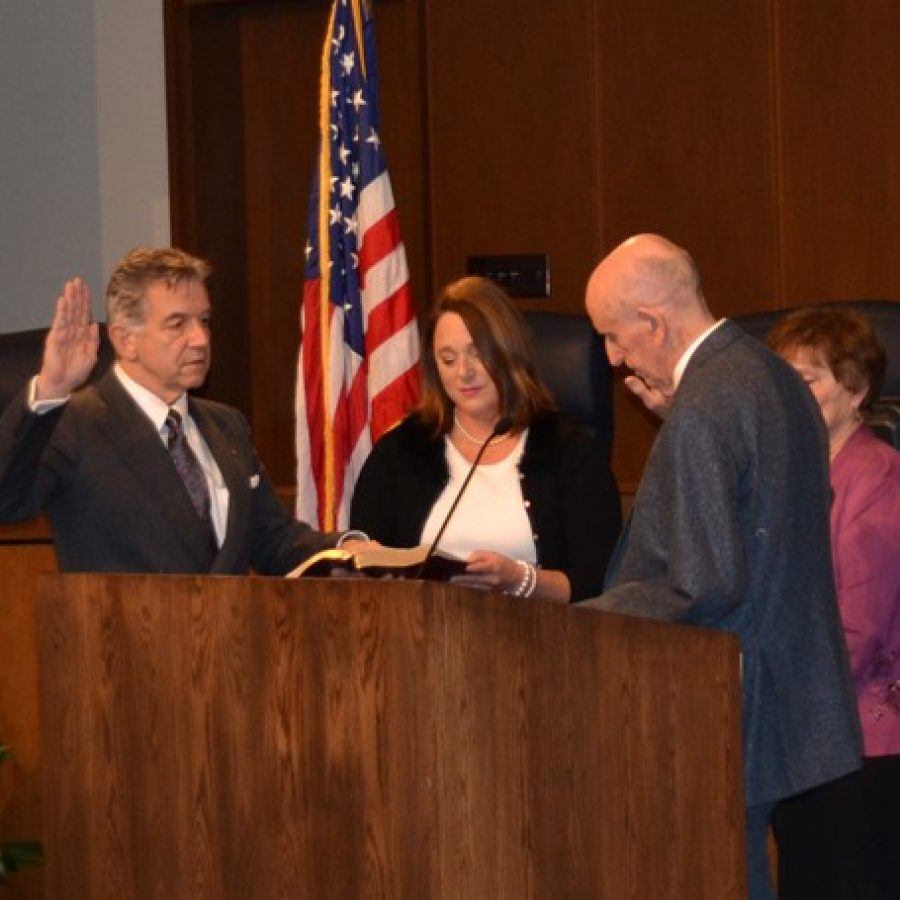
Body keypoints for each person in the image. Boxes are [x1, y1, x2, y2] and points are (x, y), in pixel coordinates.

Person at [580, 234, 861, 900]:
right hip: (783, 674)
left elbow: (703, 582)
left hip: (724, 695)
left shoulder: (708, 405)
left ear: (652, 322)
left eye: (614, 337)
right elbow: (792, 505)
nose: (614, 358)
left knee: (717, 879)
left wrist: (582, 619)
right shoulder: (771, 377)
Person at [0, 247, 366, 574]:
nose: (201, 339)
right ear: (125, 340)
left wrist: (344, 548)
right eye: (178, 324)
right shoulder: (74, 423)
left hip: (231, 644)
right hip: (122, 644)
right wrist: (49, 390)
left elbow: (272, 540)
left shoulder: (227, 425)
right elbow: (7, 501)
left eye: (204, 321)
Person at [349, 275, 621, 603]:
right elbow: (367, 566)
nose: (463, 372)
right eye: (448, 359)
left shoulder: (569, 451)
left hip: (540, 641)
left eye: (476, 354)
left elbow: (601, 581)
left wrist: (520, 580)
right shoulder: (403, 449)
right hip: (422, 641)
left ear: (508, 352)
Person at [765, 305, 900, 900]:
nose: (791, 397)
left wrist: (777, 695)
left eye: (808, 380)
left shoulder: (877, 476)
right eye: (783, 381)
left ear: (856, 390)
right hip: (798, 733)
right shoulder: (789, 472)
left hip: (857, 742)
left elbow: (859, 631)